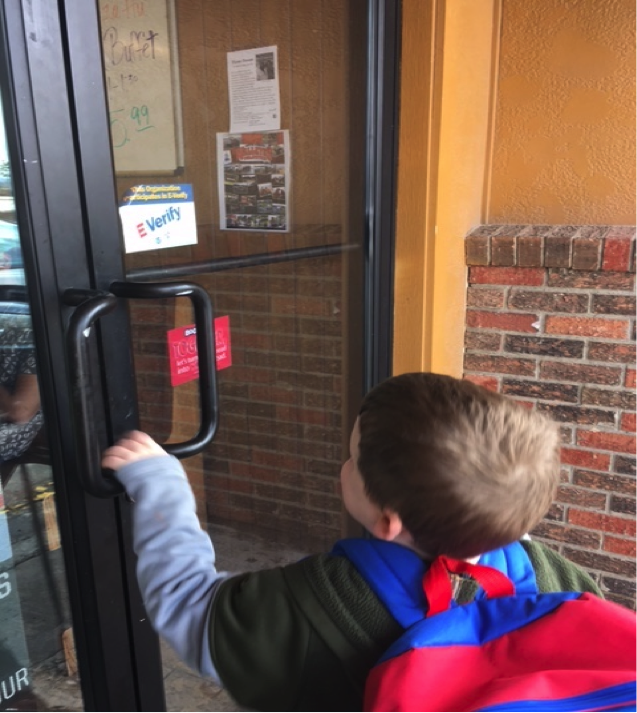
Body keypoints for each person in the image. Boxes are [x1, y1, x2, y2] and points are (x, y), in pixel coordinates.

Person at [102, 372, 602, 713]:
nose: (346, 463)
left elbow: (190, 606)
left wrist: (160, 483)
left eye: (353, 456)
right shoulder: (558, 582)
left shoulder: (319, 604)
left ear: (387, 520)